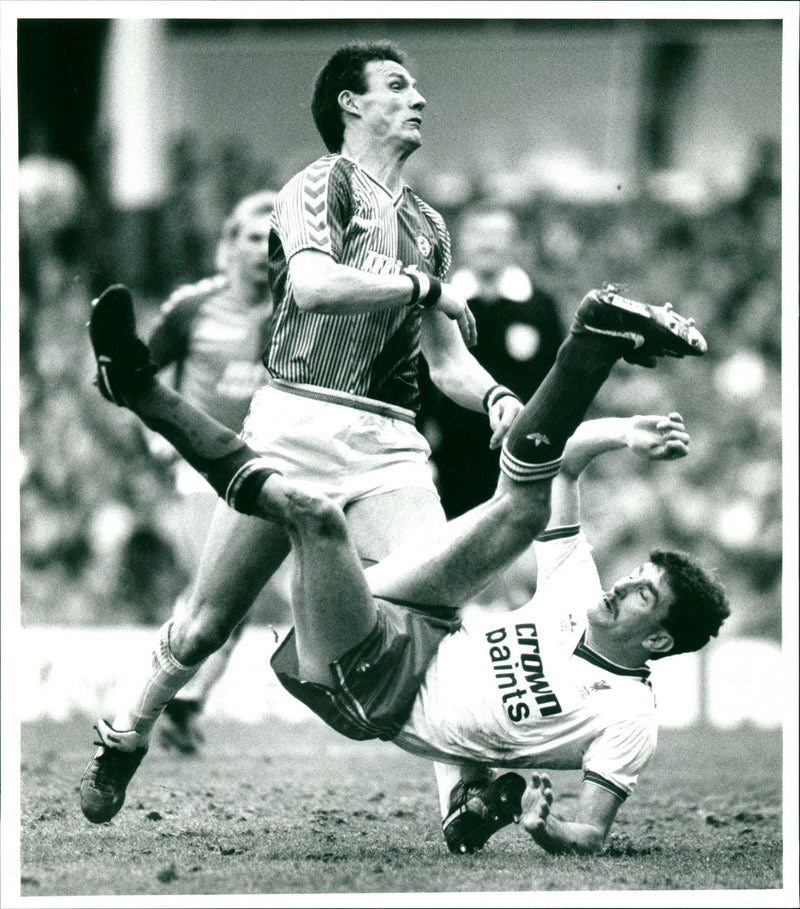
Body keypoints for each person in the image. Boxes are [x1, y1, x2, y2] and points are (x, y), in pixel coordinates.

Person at [81, 279, 727, 860]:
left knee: (315, 518)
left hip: (378, 679)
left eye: (645, 593)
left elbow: (590, 831)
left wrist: (543, 825)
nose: (624, 582)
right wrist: (627, 432)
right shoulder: (577, 594)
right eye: (638, 573)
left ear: (660, 639)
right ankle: (594, 339)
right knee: (520, 508)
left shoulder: (627, 716)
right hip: (422, 612)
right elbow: (565, 463)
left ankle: (144, 394)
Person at [79, 42, 525, 799]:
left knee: (436, 614)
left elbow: (446, 359)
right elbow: (315, 285)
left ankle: (462, 797)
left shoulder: (430, 225)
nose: (419, 97)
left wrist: (494, 398)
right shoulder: (318, 185)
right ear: (351, 105)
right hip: (293, 430)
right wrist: (422, 287)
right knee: (203, 625)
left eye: (415, 83)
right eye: (397, 85)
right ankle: (125, 732)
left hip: (389, 444)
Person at [142, 189, 290, 753]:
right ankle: (166, 699)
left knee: (233, 597)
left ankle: (180, 701)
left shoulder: (300, 308)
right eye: (251, 237)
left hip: (274, 465)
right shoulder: (192, 308)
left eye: (272, 239)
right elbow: (137, 379)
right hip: (203, 468)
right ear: (227, 245)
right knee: (220, 591)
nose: (261, 250)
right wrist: (157, 437)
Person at [420, 202, 565, 518]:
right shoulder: (439, 303)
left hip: (519, 454)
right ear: (460, 241)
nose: (487, 243)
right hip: (451, 457)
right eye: (478, 233)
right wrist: (421, 454)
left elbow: (558, 383)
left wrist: (552, 445)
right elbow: (418, 379)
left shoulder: (540, 306)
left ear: (515, 242)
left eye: (497, 234)